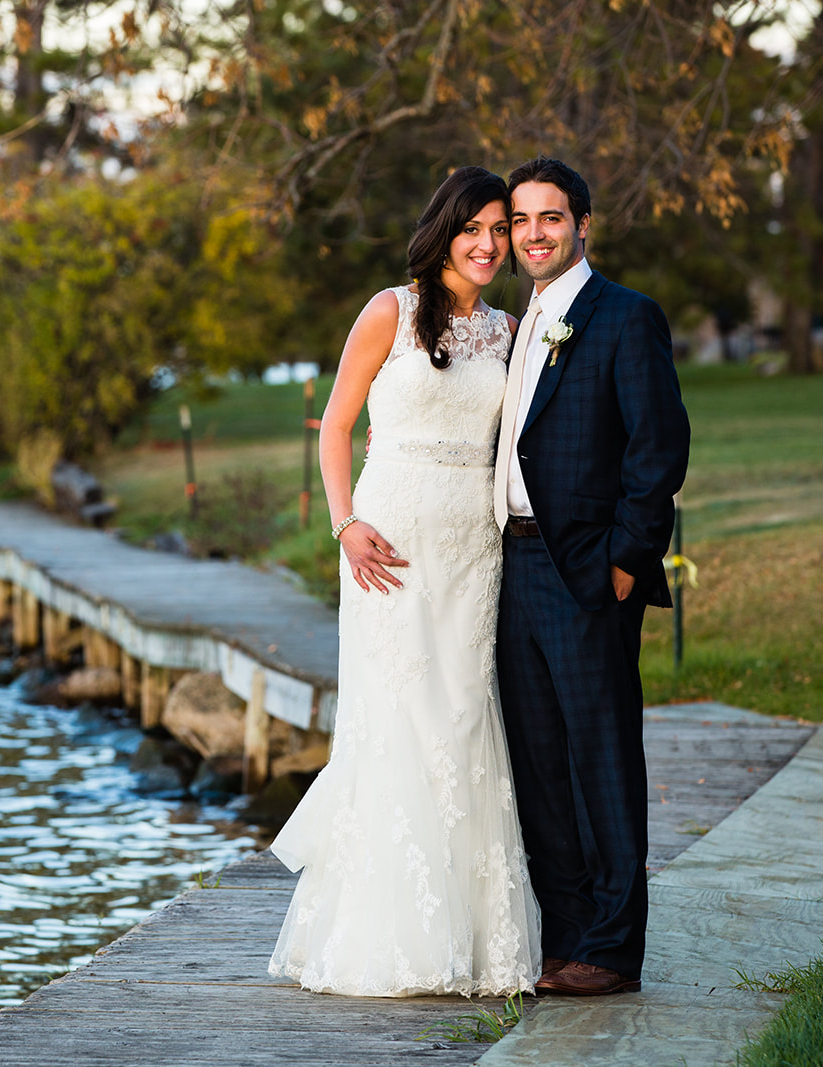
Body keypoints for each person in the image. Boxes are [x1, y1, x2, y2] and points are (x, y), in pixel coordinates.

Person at [267, 166, 542, 998]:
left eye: (502, 230)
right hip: (388, 540)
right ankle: (387, 935)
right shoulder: (388, 309)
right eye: (478, 228)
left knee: (462, 715)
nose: (492, 244)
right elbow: (337, 425)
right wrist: (344, 522)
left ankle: (476, 940)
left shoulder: (512, 329)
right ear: (444, 228)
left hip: (472, 544)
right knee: (399, 715)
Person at [495, 157, 690, 996]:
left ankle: (611, 947)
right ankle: (565, 936)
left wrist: (624, 564)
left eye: (550, 217)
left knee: (601, 759)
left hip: (587, 572)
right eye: (521, 221)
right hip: (510, 565)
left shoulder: (623, 317)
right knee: (539, 762)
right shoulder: (517, 325)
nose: (534, 233)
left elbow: (659, 451)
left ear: (583, 226)